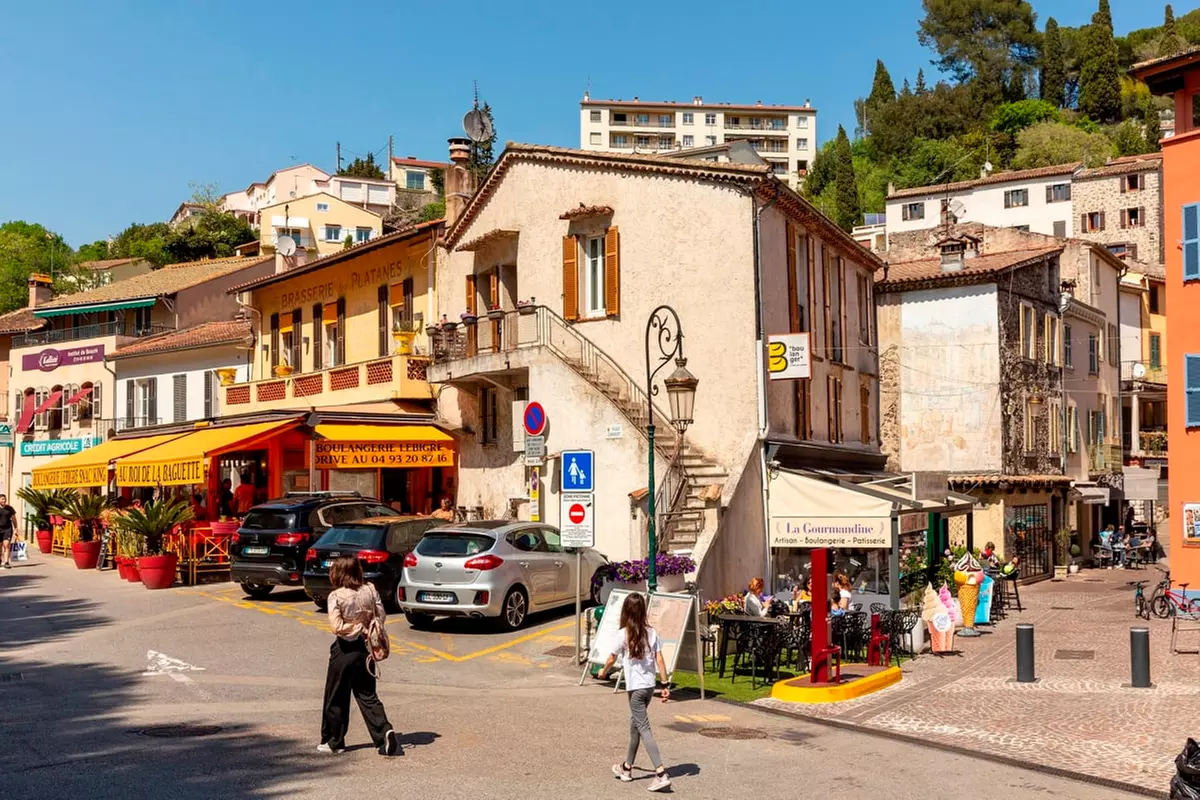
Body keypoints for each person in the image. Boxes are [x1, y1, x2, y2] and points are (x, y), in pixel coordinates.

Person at [320, 555, 398, 757]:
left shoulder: (336, 596)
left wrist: (355, 627)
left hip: (345, 650)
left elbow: (337, 626)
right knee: (367, 694)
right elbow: (381, 615)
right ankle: (384, 732)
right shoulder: (370, 590)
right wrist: (367, 627)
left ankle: (334, 741)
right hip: (366, 650)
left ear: (337, 573)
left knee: (336, 696)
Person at [598, 593, 672, 793]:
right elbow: (661, 660)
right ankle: (626, 768)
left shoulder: (623, 633)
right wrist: (665, 685)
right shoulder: (652, 633)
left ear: (626, 611)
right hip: (648, 687)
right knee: (635, 727)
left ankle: (660, 773)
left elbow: (611, 659)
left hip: (636, 689)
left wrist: (602, 672)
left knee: (644, 728)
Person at [0, 494, 16, 569]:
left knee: (6, 545)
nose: (4, 500)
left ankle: (6, 562)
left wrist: (16, 528)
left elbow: (14, 519)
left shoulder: (9, 508)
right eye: (2, 499)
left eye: (4, 499)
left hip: (7, 529)